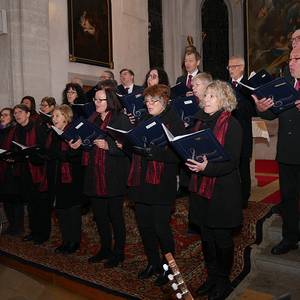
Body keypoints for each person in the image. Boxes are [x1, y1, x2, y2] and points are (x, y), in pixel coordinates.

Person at [186, 80, 243, 300]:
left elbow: (232, 162)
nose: (205, 100)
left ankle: (223, 280)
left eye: (211, 96)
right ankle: (211, 277)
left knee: (221, 236)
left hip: (222, 190)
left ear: (224, 100)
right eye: (205, 96)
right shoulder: (200, 122)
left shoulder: (232, 125)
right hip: (201, 187)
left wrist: (207, 167)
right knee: (206, 234)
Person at [125, 84, 185, 286]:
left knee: (162, 228)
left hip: (161, 184)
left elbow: (179, 155)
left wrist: (154, 152)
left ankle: (169, 269)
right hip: (141, 183)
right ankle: (153, 264)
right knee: (145, 227)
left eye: (153, 101)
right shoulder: (143, 119)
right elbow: (135, 144)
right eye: (147, 100)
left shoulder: (174, 122)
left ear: (165, 102)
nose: (148, 104)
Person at [69, 86, 133, 268]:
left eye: (100, 100)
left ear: (110, 101)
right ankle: (105, 248)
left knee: (115, 215)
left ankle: (119, 252)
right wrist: (77, 145)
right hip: (94, 175)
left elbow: (130, 149)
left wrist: (109, 146)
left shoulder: (121, 119)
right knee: (100, 215)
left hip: (114, 174)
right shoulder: (92, 119)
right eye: (95, 100)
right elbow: (86, 143)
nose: (96, 103)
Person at [251, 46, 300, 255]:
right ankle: (290, 238)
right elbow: (273, 115)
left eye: (296, 59)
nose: (291, 62)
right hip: (288, 151)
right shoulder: (287, 85)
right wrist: (262, 109)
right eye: (290, 59)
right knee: (288, 198)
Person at [40, 105, 88, 255]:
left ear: (66, 117)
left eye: (57, 116)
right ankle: (66, 240)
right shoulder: (52, 134)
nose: (54, 119)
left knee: (72, 212)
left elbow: (80, 156)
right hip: (56, 177)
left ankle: (75, 241)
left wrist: (65, 154)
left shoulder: (72, 132)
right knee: (61, 211)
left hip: (71, 180)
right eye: (53, 116)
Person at [6, 104, 50, 244]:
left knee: (41, 205)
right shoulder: (16, 132)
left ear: (27, 114)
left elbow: (45, 151)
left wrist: (29, 156)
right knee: (31, 204)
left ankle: (43, 233)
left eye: (20, 112)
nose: (17, 115)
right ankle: (34, 231)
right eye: (15, 113)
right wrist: (13, 157)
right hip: (24, 172)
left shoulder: (38, 129)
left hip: (39, 171)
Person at [227, 55, 256, 209]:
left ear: (242, 67)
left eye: (234, 67)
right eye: (229, 67)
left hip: (243, 130)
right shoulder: (226, 85)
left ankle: (245, 196)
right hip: (228, 130)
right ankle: (232, 195)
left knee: (243, 166)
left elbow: (254, 109)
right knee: (230, 163)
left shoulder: (249, 85)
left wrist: (237, 107)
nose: (231, 70)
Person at [175, 50, 201, 199]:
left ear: (197, 62)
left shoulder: (204, 77)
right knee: (183, 152)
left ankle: (195, 185)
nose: (188, 64)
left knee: (196, 153)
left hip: (197, 120)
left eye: (191, 60)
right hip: (183, 121)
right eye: (186, 61)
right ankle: (184, 186)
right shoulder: (180, 78)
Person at [0, 108, 24, 236]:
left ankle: (19, 226)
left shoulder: (15, 131)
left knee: (15, 200)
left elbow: (19, 149)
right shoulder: (1, 132)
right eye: (1, 115)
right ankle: (11, 225)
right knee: (6, 201)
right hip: (2, 171)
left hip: (13, 170)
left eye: (5, 115)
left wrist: (12, 156)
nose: (2, 118)